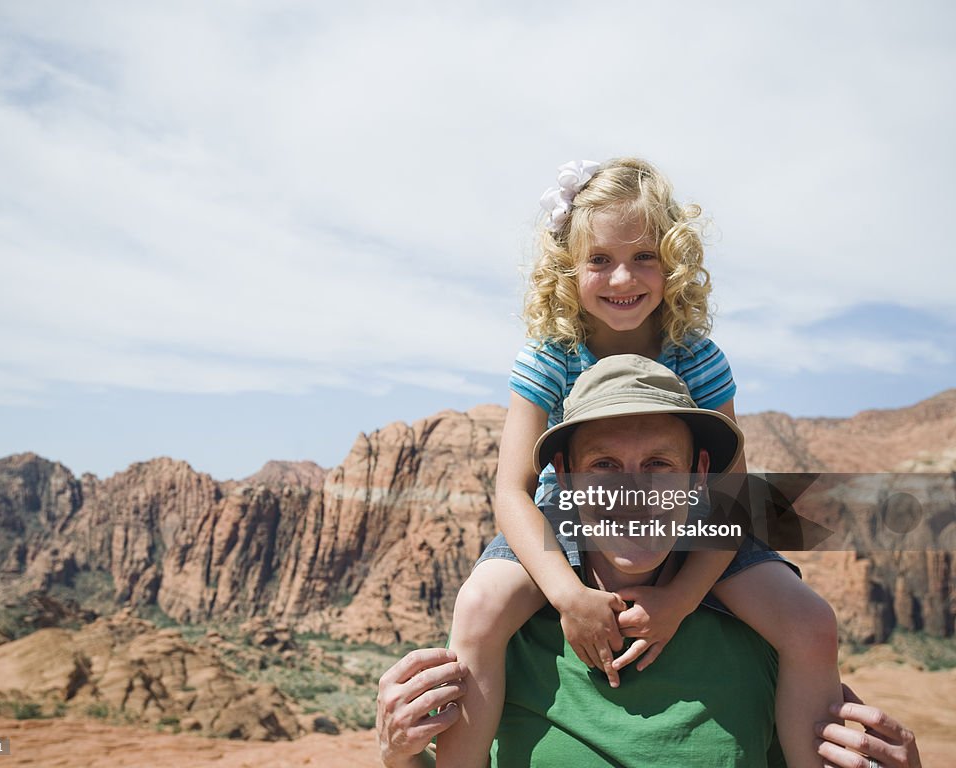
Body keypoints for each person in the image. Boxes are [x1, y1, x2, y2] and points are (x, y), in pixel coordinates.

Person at [437, 158, 841, 768]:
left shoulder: (697, 357)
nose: (622, 276)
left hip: (690, 516)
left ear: (673, 264)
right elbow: (514, 489)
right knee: (479, 611)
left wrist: (678, 600)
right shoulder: (550, 355)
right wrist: (568, 595)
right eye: (599, 259)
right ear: (568, 269)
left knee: (810, 622)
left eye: (644, 256)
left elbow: (728, 496)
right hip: (569, 516)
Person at [377, 358, 923, 768]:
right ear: (563, 478)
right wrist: (398, 756)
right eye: (604, 464)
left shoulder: (771, 638)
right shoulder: (503, 635)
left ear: (698, 474)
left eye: (659, 465)